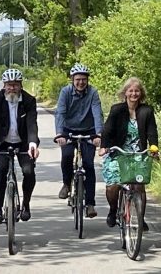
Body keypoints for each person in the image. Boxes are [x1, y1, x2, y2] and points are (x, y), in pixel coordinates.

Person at [98, 77, 159, 231]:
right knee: (113, 186)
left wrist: (154, 148)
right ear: (125, 93)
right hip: (118, 152)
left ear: (141, 93)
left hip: (138, 154)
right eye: (130, 90)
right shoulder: (117, 109)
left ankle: (140, 218)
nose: (134, 94)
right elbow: (108, 129)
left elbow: (152, 132)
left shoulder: (147, 111)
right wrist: (104, 147)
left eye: (137, 91)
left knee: (139, 187)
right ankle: (113, 210)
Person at [0, 68, 40, 223]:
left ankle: (26, 204)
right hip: (2, 142)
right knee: (1, 171)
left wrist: (33, 143)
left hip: (23, 143)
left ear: (21, 85)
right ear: (4, 85)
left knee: (28, 172)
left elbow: (31, 124)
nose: (12, 88)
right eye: (9, 85)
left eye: (15, 85)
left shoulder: (29, 100)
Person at [54, 63, 103, 218]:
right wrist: (60, 134)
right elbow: (60, 113)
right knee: (67, 156)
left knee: (89, 165)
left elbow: (97, 113)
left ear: (87, 80)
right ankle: (66, 184)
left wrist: (99, 134)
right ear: (72, 80)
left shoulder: (93, 93)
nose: (81, 82)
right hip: (68, 130)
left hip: (88, 131)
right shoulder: (66, 92)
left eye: (83, 79)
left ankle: (90, 204)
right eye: (77, 79)